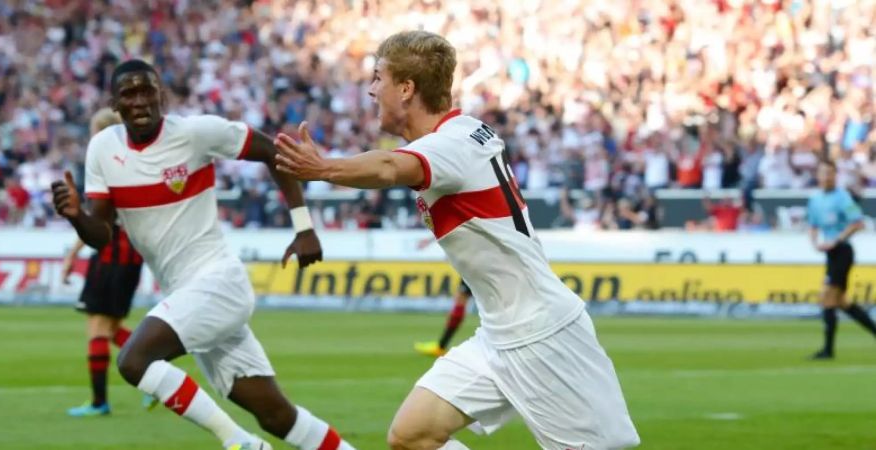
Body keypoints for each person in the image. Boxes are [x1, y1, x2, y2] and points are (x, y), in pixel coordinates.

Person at [274, 31, 639, 450]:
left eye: (379, 78)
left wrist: (325, 169)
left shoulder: (449, 145)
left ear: (407, 89)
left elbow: (392, 167)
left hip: (543, 335)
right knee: (412, 436)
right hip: (498, 333)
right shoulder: (465, 134)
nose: (372, 90)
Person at [51, 59, 354, 450]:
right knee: (277, 416)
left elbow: (273, 150)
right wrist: (77, 217)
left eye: (148, 91)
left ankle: (240, 443)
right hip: (185, 294)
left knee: (133, 361)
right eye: (130, 93)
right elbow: (102, 236)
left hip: (218, 281)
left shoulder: (195, 133)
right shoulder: (103, 150)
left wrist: (304, 226)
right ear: (115, 104)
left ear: (161, 96)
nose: (141, 101)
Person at [63, 108, 150, 417]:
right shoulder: (135, 162)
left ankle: (100, 402)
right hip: (132, 257)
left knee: (97, 326)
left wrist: (72, 255)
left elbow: (97, 219)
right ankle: (158, 373)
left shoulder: (106, 164)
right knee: (111, 328)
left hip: (111, 255)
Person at [807, 160, 875, 360]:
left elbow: (858, 223)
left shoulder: (842, 197)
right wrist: (815, 243)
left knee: (827, 296)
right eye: (823, 173)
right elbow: (812, 225)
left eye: (830, 173)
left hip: (843, 251)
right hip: (830, 253)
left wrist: (837, 240)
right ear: (818, 175)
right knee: (842, 302)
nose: (827, 177)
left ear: (836, 175)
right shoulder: (815, 199)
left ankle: (828, 350)